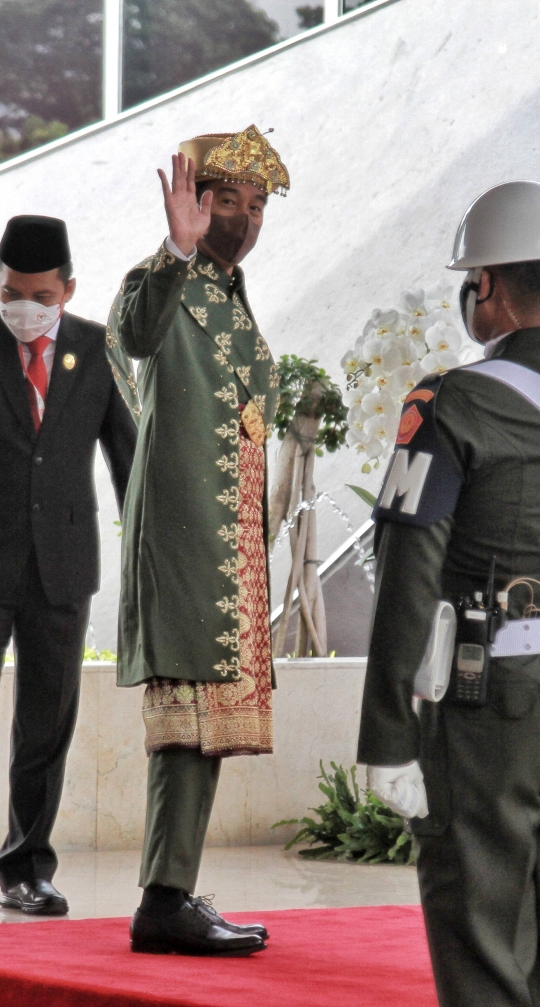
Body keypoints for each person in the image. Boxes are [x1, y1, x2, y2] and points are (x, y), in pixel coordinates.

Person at [106, 125, 289, 956]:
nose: (246, 220)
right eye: (231, 202)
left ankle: (171, 891)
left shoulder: (233, 292)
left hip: (227, 539)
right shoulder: (167, 282)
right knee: (186, 717)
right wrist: (173, 250)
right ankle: (164, 899)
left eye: (258, 207)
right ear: (197, 201)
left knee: (207, 719)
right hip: (184, 531)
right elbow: (137, 334)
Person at [358, 180, 540, 1007]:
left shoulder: (455, 402)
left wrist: (387, 735)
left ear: (491, 285)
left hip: (487, 701)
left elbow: (409, 573)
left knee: (480, 925)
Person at [0, 215, 137, 916]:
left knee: (45, 724)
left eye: (40, 295)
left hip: (62, 565)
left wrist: (148, 548)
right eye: (11, 291)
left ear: (68, 289)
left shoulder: (97, 346)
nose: (24, 306)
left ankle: (25, 864)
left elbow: (128, 458)